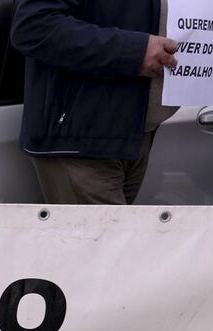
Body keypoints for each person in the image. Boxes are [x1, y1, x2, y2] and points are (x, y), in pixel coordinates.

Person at [10, 0, 178, 205]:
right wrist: (134, 51)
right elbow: (33, 26)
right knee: (106, 236)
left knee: (116, 233)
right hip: (81, 138)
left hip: (136, 133)